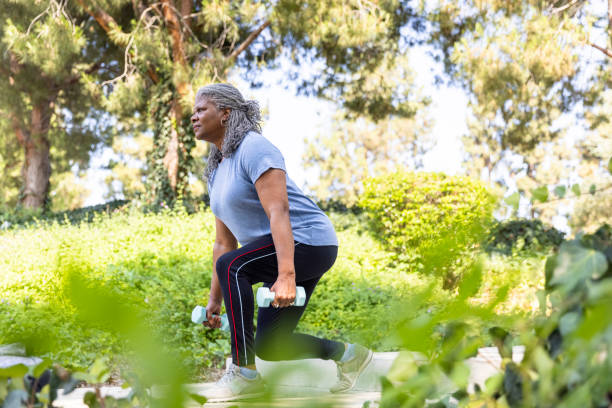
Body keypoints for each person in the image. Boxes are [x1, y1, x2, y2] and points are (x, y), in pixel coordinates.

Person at [191, 83, 372, 401]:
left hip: (308, 240)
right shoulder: (217, 170)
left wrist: (286, 274)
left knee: (233, 266)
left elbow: (279, 210)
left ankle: (244, 374)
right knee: (271, 346)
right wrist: (214, 301)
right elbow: (224, 243)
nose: (193, 116)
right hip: (281, 248)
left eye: (200, 109)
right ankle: (349, 355)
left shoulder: (254, 147)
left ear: (225, 114)